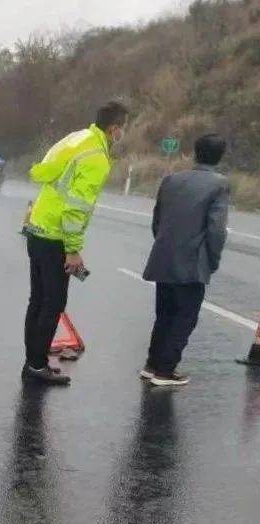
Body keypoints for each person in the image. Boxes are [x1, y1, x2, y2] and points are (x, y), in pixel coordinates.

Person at [22, 101, 130, 386]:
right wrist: (72, 249)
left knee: (38, 300)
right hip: (56, 236)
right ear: (114, 129)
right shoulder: (96, 158)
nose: (123, 134)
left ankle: (33, 362)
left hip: (38, 226)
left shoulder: (77, 139)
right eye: (123, 129)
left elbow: (45, 173)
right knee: (53, 303)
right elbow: (75, 208)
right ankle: (36, 366)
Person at [140, 134, 230, 387]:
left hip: (163, 257)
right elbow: (216, 230)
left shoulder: (171, 180)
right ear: (220, 156)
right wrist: (212, 260)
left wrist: (164, 245)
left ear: (195, 152)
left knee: (164, 314)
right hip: (191, 263)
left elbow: (157, 220)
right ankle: (165, 370)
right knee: (185, 317)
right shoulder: (219, 185)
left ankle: (152, 364)